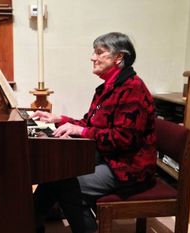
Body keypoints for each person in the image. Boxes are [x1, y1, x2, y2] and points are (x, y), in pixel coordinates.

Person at [31, 32, 156, 233]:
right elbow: (89, 124)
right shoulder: (107, 88)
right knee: (54, 169)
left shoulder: (133, 89)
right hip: (108, 157)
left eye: (99, 52)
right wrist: (60, 120)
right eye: (94, 52)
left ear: (119, 58)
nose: (92, 57)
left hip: (128, 167)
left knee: (68, 185)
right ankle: (31, 222)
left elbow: (124, 139)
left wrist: (80, 129)